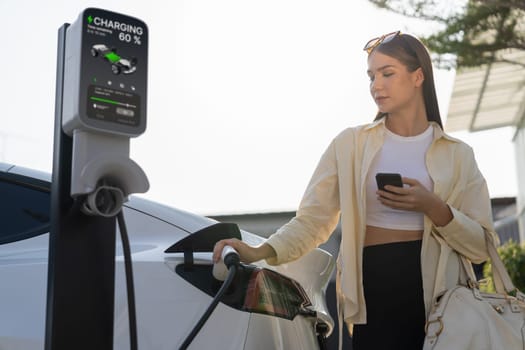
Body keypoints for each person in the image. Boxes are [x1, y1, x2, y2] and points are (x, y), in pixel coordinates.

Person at [213, 31, 498, 350]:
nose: (376, 85)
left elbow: (482, 247)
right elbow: (312, 222)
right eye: (371, 76)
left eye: (387, 73)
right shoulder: (349, 145)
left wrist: (434, 207)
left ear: (418, 76)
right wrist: (260, 251)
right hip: (373, 298)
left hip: (443, 305)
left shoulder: (458, 154)